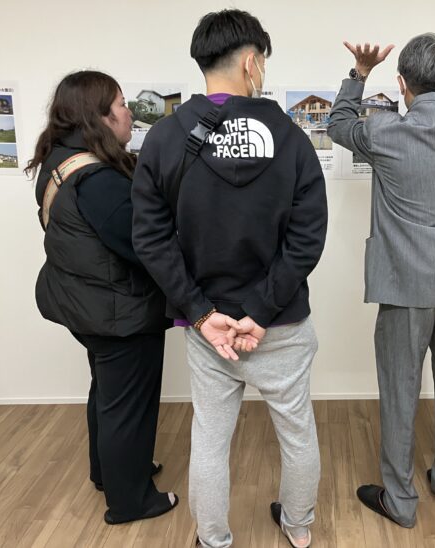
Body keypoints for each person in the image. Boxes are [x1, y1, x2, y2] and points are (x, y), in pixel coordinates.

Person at [131, 10, 327, 547]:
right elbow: (307, 238)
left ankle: (214, 539)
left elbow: (150, 238)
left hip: (210, 326)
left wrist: (200, 311)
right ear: (251, 62)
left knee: (211, 439)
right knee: (297, 432)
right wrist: (261, 311)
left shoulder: (165, 139)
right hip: (280, 322)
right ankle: (298, 527)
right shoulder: (292, 139)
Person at [327, 22, 435, 527]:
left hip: (405, 288)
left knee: (401, 391)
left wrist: (360, 73)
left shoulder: (385, 132)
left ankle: (401, 501)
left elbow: (338, 124)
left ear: (401, 83)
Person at [29, 70, 178, 525]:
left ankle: (109, 473)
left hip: (85, 306)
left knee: (108, 397)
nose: (129, 112)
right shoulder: (99, 180)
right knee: (127, 406)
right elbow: (143, 246)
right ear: (98, 116)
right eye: (121, 104)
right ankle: (131, 501)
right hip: (119, 314)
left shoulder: (60, 160)